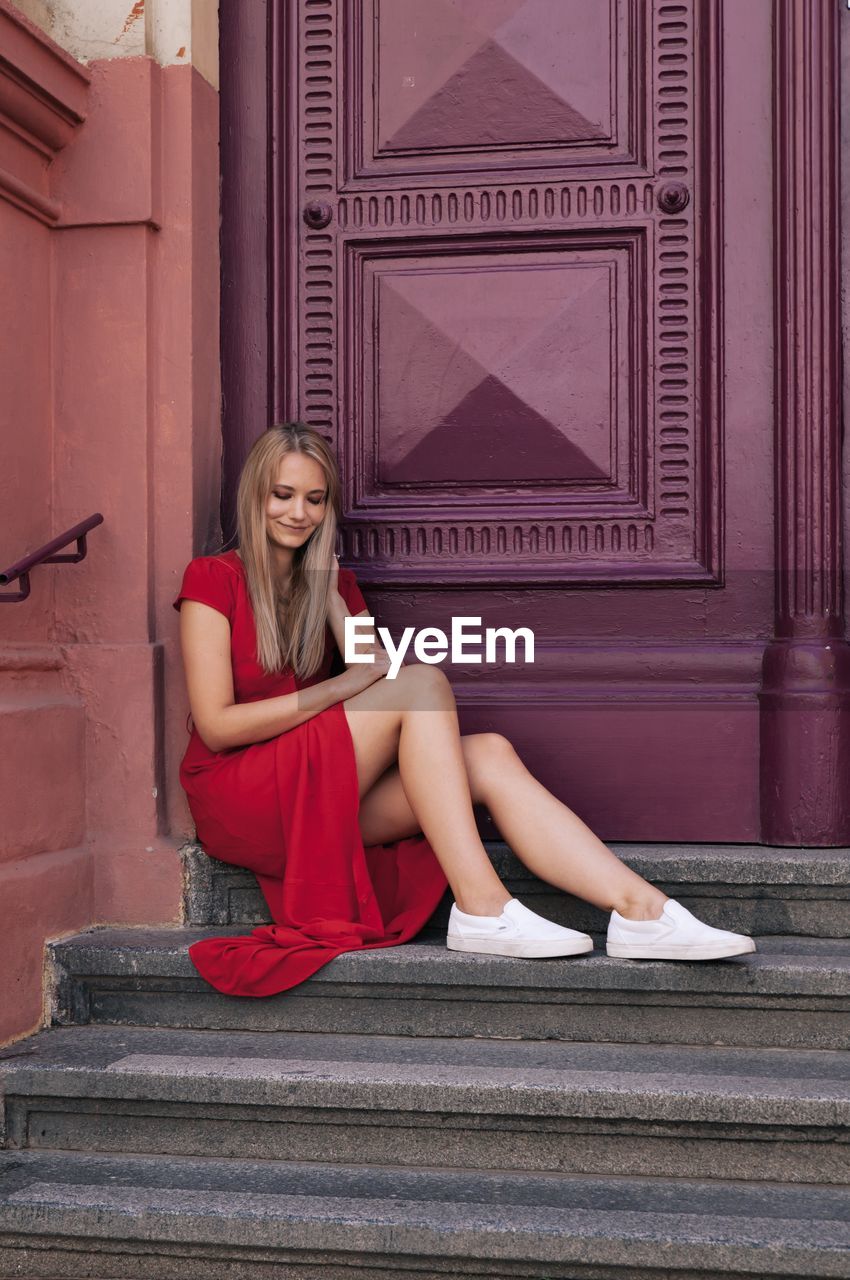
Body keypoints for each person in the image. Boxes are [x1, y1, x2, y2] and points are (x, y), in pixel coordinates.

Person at [173, 423, 756, 997]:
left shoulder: (332, 584)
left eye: (315, 500)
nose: (299, 513)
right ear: (256, 495)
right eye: (283, 495)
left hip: (310, 787)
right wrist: (339, 686)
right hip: (239, 795)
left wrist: (324, 588)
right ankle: (480, 906)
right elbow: (220, 726)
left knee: (489, 754)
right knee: (423, 684)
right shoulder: (213, 579)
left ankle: (642, 912)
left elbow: (378, 674)